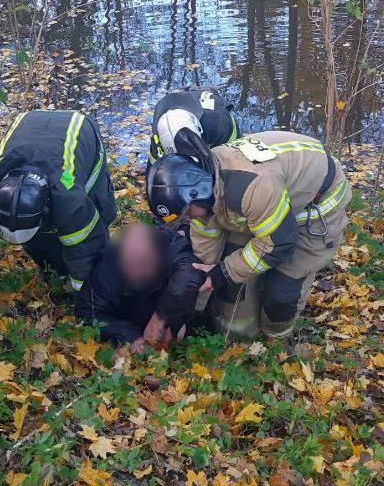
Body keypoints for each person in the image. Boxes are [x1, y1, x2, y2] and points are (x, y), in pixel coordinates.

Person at [145, 129, 350, 340]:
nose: (187, 220)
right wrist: (189, 311)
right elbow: (204, 255)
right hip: (270, 204)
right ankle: (240, 337)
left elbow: (278, 245)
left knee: (282, 292)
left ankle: (276, 341)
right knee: (234, 275)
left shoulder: (251, 188)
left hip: (315, 207)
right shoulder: (206, 185)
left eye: (187, 213)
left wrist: (223, 272)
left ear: (198, 193)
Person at [0, 110, 115, 330]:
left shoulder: (71, 201)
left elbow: (88, 251)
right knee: (42, 244)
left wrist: (90, 310)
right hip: (31, 123)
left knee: (99, 215)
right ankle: (55, 267)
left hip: (80, 129)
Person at [76, 223, 205, 351]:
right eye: (129, 264)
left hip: (160, 310)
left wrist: (164, 319)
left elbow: (189, 276)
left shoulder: (173, 247)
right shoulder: (107, 267)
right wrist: (131, 336)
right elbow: (87, 312)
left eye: (142, 264)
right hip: (126, 319)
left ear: (157, 255)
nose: (135, 273)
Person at [149, 88, 241, 161]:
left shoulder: (219, 125)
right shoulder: (158, 135)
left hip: (217, 118)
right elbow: (154, 166)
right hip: (179, 102)